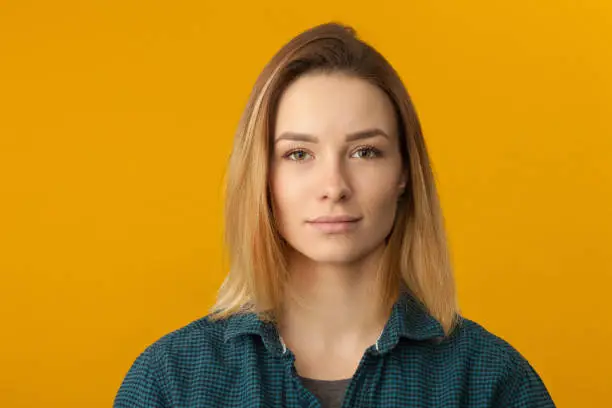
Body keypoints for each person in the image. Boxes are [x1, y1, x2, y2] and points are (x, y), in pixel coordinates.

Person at [114, 22, 556, 407]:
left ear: (404, 173)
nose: (334, 187)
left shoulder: (492, 381)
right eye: (298, 153)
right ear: (262, 178)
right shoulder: (169, 380)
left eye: (365, 151)